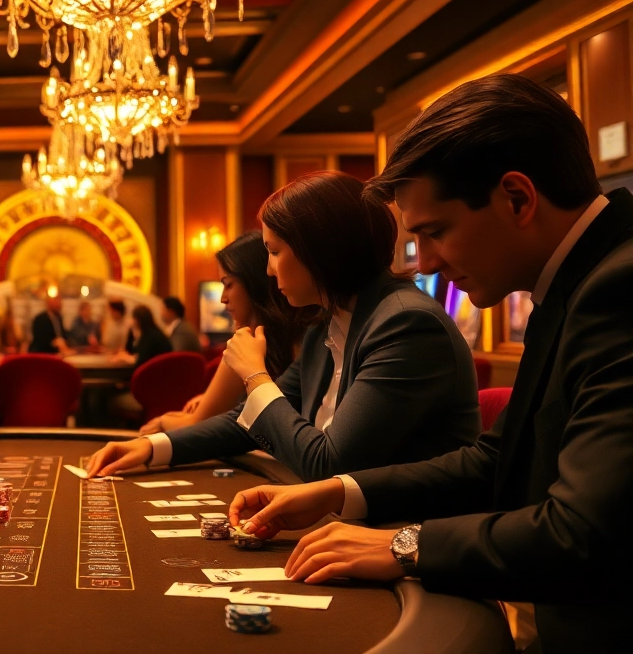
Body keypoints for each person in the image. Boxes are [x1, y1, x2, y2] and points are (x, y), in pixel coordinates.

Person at [226, 75, 633, 651]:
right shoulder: (572, 284)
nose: (428, 264)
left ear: (517, 198)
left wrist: (402, 544)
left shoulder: (619, 287)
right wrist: (339, 491)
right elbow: (500, 459)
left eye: (435, 233)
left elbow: (585, 536)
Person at [85, 171, 480, 482]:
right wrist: (155, 448)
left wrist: (255, 374)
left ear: (319, 252)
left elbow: (328, 464)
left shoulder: (404, 324)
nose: (269, 269)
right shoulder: (328, 324)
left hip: (400, 541)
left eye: (274, 252)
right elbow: (248, 423)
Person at [142, 232, 304, 434]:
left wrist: (163, 422)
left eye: (228, 285)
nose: (222, 298)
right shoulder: (304, 330)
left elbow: (198, 423)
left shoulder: (246, 342)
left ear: (255, 282)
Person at [122, 304, 172, 371]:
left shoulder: (148, 336)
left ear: (137, 320)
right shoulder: (155, 332)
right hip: (163, 371)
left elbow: (141, 361)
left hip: (153, 373)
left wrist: (126, 359)